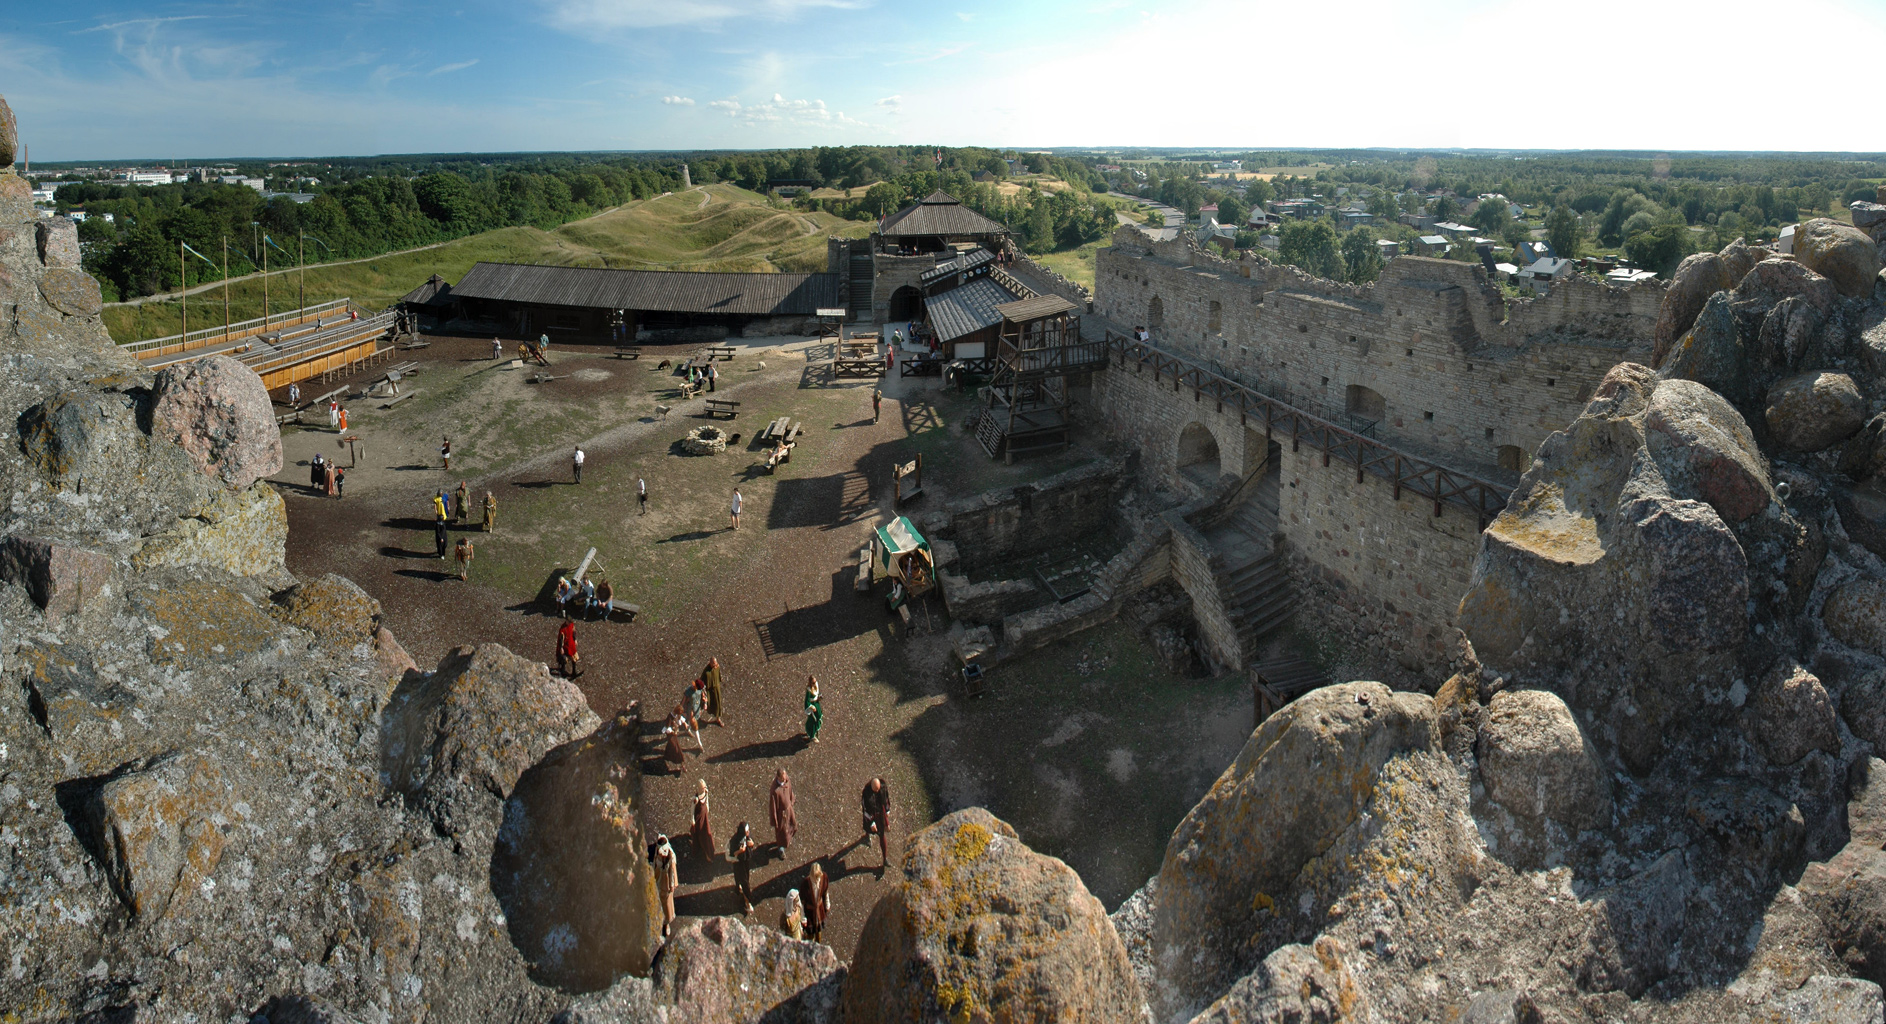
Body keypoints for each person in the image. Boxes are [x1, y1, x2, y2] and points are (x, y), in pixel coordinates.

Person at [651, 834, 678, 937]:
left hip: (666, 884)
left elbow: (672, 872)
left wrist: (672, 886)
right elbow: (654, 865)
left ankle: (666, 924)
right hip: (658, 880)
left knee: (666, 905)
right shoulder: (657, 854)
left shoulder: (671, 856)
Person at [861, 776, 890, 868]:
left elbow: (886, 799)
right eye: (875, 790)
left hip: (880, 814)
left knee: (882, 835)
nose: (877, 791)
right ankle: (867, 836)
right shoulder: (866, 793)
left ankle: (885, 858)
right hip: (871, 814)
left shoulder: (883, 787)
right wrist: (871, 823)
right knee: (868, 828)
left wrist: (887, 809)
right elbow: (865, 809)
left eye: (878, 789)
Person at [729, 822, 756, 915]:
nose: (748, 832)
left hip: (746, 861)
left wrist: (752, 844)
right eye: (747, 831)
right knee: (745, 882)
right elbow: (732, 853)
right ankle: (748, 902)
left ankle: (739, 887)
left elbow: (752, 842)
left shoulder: (747, 836)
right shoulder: (735, 840)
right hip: (739, 863)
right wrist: (740, 851)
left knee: (744, 878)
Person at [769, 768, 796, 853]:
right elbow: (773, 806)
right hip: (781, 814)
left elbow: (790, 791)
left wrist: (791, 802)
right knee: (782, 833)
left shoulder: (787, 780)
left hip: (789, 810)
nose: (784, 779)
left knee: (793, 825)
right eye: (782, 779)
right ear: (778, 777)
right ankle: (781, 848)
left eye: (785, 777)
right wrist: (775, 820)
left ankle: (787, 840)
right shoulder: (775, 791)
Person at [804, 862, 829, 943]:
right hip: (810, 912)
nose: (817, 880)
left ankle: (818, 944)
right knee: (810, 933)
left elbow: (825, 892)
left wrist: (827, 904)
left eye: (818, 877)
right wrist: (803, 918)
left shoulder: (824, 878)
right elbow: (801, 901)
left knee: (819, 930)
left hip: (819, 909)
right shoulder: (806, 883)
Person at [691, 779, 715, 863]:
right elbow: (692, 809)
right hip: (699, 819)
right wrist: (692, 819)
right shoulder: (696, 799)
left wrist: (707, 808)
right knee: (701, 834)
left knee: (706, 832)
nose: (705, 788)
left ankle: (707, 851)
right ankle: (705, 851)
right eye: (703, 787)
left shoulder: (706, 793)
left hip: (704, 816)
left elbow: (707, 800)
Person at [682, 679, 705, 753]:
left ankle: (688, 729)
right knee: (695, 727)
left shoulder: (700, 688)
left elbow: (704, 695)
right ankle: (700, 744)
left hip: (697, 708)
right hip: (691, 710)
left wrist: (705, 703)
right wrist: (681, 710)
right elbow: (683, 702)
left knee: (689, 721)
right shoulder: (688, 691)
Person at [702, 658, 724, 726]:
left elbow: (719, 675)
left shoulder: (717, 667)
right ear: (710, 663)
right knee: (706, 704)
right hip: (709, 691)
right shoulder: (706, 671)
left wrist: (719, 680)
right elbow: (702, 681)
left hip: (716, 689)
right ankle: (697, 717)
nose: (714, 665)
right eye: (713, 663)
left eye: (715, 663)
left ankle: (718, 719)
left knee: (718, 704)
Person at [803, 676, 823, 744]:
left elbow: (816, 695)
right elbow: (807, 701)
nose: (815, 683)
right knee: (814, 719)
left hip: (816, 704)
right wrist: (811, 707)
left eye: (815, 682)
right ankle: (812, 736)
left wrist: (818, 698)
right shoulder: (809, 690)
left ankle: (812, 731)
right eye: (813, 682)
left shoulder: (816, 686)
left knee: (819, 716)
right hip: (813, 707)